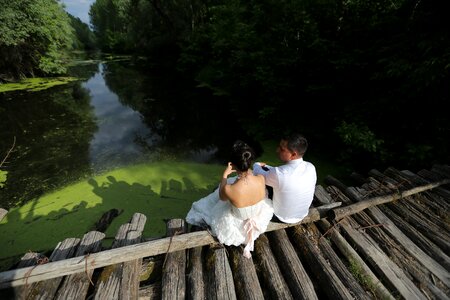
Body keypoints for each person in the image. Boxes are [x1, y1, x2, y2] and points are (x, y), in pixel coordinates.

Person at [186, 140, 274, 258]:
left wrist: (225, 175)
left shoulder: (230, 189)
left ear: (233, 165)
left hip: (237, 222)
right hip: (257, 216)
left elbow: (222, 197)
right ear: (249, 161)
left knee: (212, 200)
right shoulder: (261, 179)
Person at [253, 133, 317, 223]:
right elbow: (280, 173)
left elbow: (257, 171)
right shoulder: (311, 167)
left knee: (257, 182)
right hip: (302, 214)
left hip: (280, 217)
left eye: (282, 149)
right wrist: (268, 167)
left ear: (293, 154)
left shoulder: (279, 174)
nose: (277, 150)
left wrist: (257, 164)